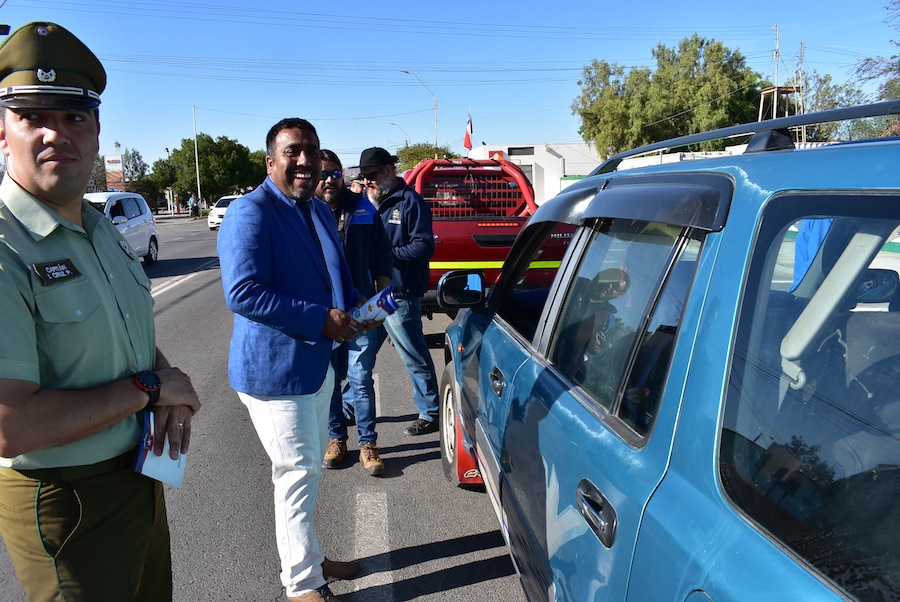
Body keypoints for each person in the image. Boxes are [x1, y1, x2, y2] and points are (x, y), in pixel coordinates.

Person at [0, 22, 202, 601]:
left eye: (73, 118)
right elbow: (11, 427)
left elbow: (128, 330)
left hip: (137, 474)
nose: (55, 135)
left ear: (95, 133)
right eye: (33, 117)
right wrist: (150, 387)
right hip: (65, 498)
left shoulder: (98, 227)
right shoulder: (7, 245)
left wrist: (163, 378)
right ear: (2, 132)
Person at [218, 119, 369, 602]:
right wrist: (320, 319)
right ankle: (302, 584)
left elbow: (332, 275)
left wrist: (363, 306)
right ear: (271, 162)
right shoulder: (251, 212)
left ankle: (308, 555)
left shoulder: (320, 211)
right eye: (293, 152)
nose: (304, 161)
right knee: (297, 474)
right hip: (274, 372)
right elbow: (243, 292)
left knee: (309, 472)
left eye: (311, 150)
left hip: (317, 364)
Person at [316, 150, 392, 476]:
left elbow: (382, 256)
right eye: (321, 175)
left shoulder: (363, 209)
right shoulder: (308, 213)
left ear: (343, 175)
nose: (328, 180)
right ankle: (337, 438)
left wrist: (381, 302)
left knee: (360, 379)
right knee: (331, 381)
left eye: (334, 173)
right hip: (326, 316)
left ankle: (368, 443)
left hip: (361, 313)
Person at [356, 147, 440, 435]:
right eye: (363, 176)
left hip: (399, 295)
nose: (367, 181)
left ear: (389, 171)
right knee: (361, 358)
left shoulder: (410, 202)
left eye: (372, 175)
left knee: (413, 355)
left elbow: (423, 246)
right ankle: (348, 406)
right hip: (371, 296)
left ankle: (431, 412)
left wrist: (384, 256)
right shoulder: (366, 203)